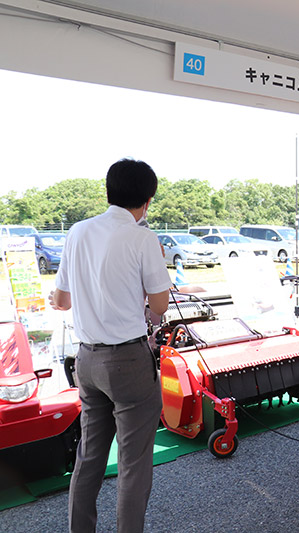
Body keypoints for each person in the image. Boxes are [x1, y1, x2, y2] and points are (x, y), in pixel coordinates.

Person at [49, 159, 172, 533]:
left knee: (89, 458)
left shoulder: (78, 231)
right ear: (147, 201)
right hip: (129, 361)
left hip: (87, 360)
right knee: (134, 465)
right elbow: (160, 305)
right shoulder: (142, 238)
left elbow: (61, 300)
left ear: (109, 192)